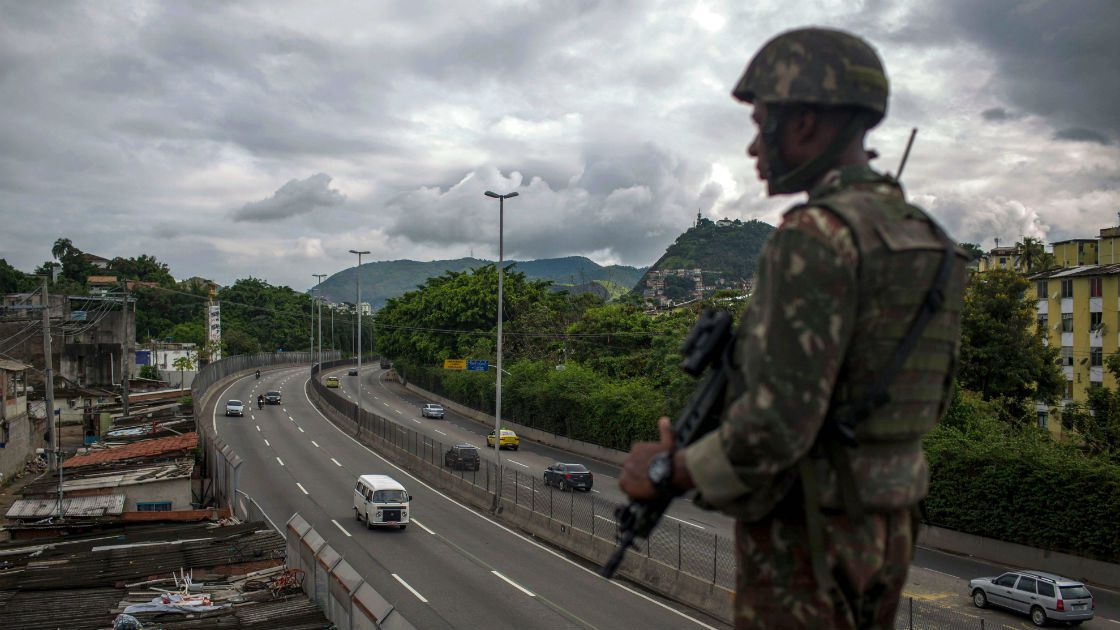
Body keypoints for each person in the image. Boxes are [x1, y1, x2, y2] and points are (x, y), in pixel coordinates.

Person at [619, 27, 968, 630]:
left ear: (804, 122)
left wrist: (667, 469)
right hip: (890, 525)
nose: (755, 147)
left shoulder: (816, 237)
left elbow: (775, 427)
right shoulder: (932, 243)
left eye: (762, 124)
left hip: (810, 534)